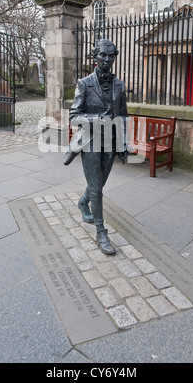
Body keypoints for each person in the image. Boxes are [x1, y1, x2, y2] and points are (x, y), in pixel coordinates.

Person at [65, 39, 129, 255]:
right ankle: (101, 232)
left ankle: (83, 203)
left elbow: (123, 116)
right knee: (97, 189)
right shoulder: (84, 83)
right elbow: (74, 117)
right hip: (91, 142)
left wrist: (123, 143)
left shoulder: (119, 84)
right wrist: (96, 120)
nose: (107, 59)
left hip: (110, 142)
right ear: (95, 56)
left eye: (111, 55)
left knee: (99, 183)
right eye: (103, 55)